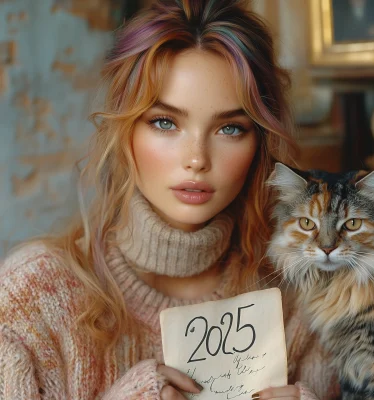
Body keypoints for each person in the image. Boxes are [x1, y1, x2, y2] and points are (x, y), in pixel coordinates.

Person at [0, 1, 339, 399]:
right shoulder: (31, 299)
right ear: (124, 130)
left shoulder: (304, 296)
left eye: (230, 128)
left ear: (259, 143)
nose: (197, 159)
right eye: (165, 122)